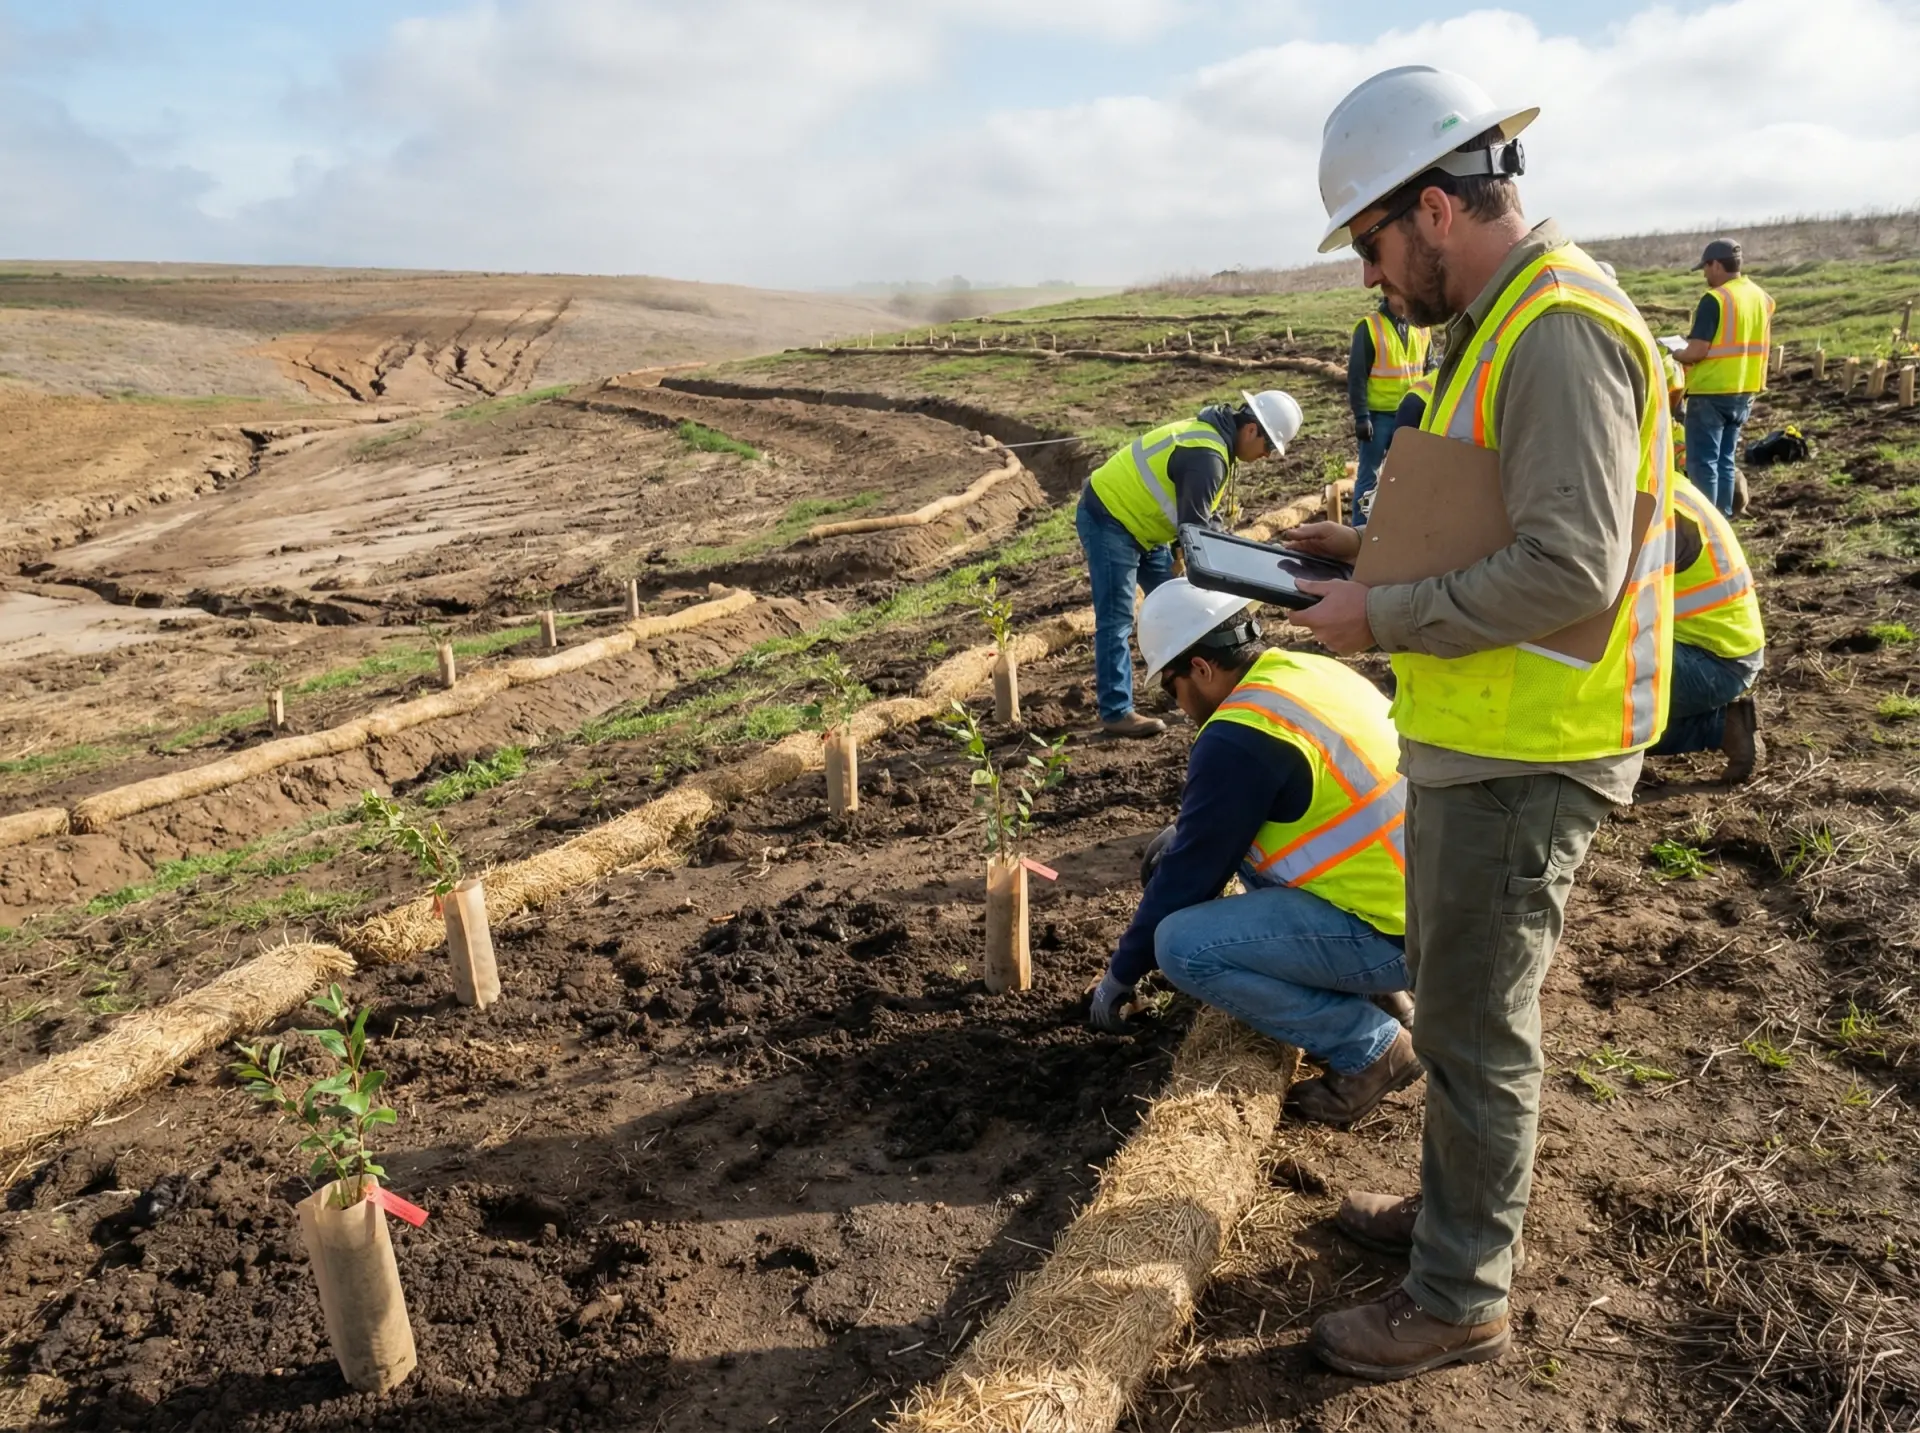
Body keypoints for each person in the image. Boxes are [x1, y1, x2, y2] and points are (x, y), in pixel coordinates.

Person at [1279, 64, 1675, 1381]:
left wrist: (1381, 618)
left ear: (1435, 211)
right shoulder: (1496, 318)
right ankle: (1450, 1221)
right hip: (1483, 735)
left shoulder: (1554, 326)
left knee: (1480, 1025)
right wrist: (1364, 548)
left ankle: (1460, 1294)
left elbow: (1570, 569)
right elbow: (1487, 514)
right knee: (1452, 1015)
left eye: (1375, 244)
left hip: (1533, 748)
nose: (1373, 279)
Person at [1085, 579, 1418, 1125]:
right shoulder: (1303, 671)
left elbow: (1189, 878)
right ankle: (1388, 1000)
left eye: (1171, 689)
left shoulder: (1240, 734)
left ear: (1200, 669)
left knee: (1182, 946)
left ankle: (1372, 1049)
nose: (1179, 706)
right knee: (1172, 850)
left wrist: (1120, 976)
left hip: (1394, 935)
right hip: (1424, 900)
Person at [1076, 391, 1302, 737]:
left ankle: (1191, 685)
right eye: (1269, 447)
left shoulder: (1215, 445)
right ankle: (1115, 710)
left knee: (1179, 604)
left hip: (1146, 527)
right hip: (1110, 517)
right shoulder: (1207, 455)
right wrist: (1225, 579)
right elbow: (1196, 534)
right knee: (1117, 618)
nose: (1268, 456)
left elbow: (1202, 521)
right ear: (1252, 429)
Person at [1649, 481, 1765, 781]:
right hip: (1720, 650)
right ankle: (1723, 725)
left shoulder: (1657, 510)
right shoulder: (1660, 483)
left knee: (1591, 688)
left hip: (1714, 662)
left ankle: (1718, 726)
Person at [1674, 238, 1774, 518]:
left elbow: (1697, 351)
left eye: (1705, 268)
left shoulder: (1715, 299)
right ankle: (1725, 517)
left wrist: (1677, 353)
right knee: (1725, 461)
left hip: (1711, 392)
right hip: (1745, 390)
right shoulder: (1760, 297)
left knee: (1702, 462)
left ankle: (1706, 523)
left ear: (1716, 264)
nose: (1705, 274)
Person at [1348, 295, 1434, 524]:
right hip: (1378, 419)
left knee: (1410, 477)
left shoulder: (1422, 328)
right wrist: (1361, 416)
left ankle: (1401, 530)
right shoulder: (1369, 328)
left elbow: (1430, 368)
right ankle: (1359, 532)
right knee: (1369, 479)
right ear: (1388, 294)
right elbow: (1356, 377)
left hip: (1411, 416)